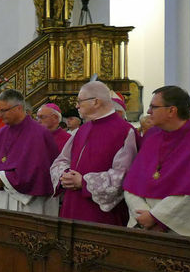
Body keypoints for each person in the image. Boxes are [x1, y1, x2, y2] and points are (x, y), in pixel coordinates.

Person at [122, 85, 190, 239]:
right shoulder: (151, 137)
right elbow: (132, 184)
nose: (149, 111)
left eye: (154, 107)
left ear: (172, 110)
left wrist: (157, 217)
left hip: (181, 230)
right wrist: (144, 216)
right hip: (144, 226)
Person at [49, 81, 137, 226]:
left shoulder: (124, 131)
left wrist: (83, 182)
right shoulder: (81, 130)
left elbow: (122, 176)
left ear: (95, 102)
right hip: (71, 206)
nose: (77, 106)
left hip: (100, 215)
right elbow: (61, 160)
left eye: (79, 101)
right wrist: (64, 174)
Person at [0, 89, 60, 215]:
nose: (1, 115)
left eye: (4, 110)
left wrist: (3, 178)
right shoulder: (1, 133)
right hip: (4, 196)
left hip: (29, 202)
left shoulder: (38, 133)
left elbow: (37, 170)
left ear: (19, 108)